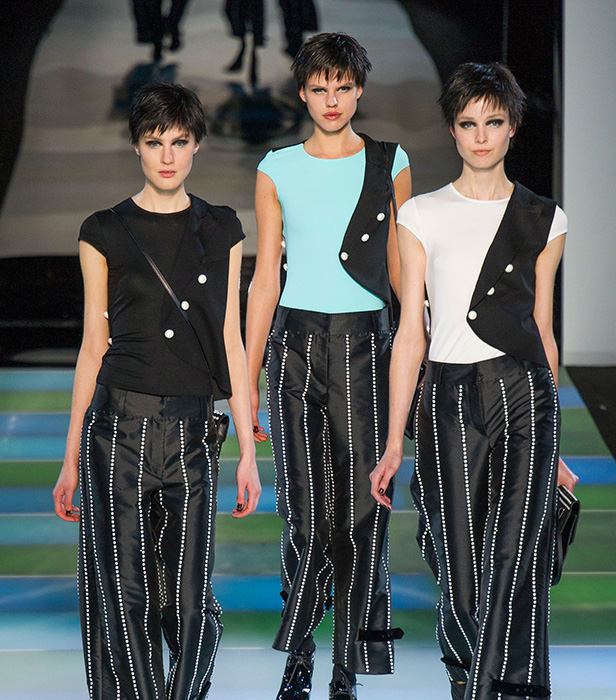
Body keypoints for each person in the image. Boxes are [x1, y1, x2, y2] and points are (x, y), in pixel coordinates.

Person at [370, 63, 578, 700]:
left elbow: (542, 330)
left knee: (514, 561)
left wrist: (556, 448)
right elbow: (411, 333)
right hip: (449, 398)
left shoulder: (546, 218)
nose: (481, 136)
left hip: (525, 397)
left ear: (513, 127)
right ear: (453, 130)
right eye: (468, 123)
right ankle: (470, 677)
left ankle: (504, 691)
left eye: (493, 122)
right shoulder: (421, 215)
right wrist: (394, 441)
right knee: (460, 576)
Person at [52, 82, 261, 700]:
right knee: (124, 597)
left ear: (197, 145)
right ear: (137, 147)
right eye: (153, 142)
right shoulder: (103, 230)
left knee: (190, 601)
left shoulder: (222, 228)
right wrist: (70, 457)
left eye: (178, 141)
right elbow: (93, 346)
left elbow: (231, 341)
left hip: (194, 432)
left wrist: (248, 451)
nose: (167, 155)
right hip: (117, 429)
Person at [245, 32, 411, 700]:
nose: (332, 99)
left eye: (343, 87)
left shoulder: (390, 162)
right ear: (303, 92)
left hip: (368, 348)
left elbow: (402, 273)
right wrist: (246, 382)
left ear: (359, 89)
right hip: (294, 349)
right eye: (320, 88)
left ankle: (348, 667)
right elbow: (264, 279)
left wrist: (421, 356)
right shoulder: (276, 167)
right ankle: (301, 653)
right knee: (306, 517)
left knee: (364, 513)